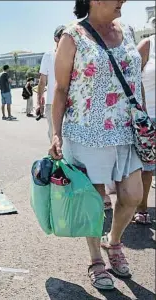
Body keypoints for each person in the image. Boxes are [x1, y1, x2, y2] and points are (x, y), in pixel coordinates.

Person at [49, 0, 144, 290]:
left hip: (126, 130)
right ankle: (96, 260)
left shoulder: (127, 30)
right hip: (86, 130)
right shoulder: (72, 36)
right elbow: (61, 88)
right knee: (93, 202)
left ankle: (113, 241)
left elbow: (135, 80)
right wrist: (56, 133)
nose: (123, 1)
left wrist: (144, 121)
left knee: (132, 196)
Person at [134, 33, 155, 224]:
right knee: (146, 168)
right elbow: (130, 77)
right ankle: (142, 208)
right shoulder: (148, 45)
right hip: (150, 116)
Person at [37, 25, 66, 138]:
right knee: (54, 135)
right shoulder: (48, 56)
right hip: (52, 102)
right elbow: (42, 82)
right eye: (62, 37)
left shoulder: (75, 54)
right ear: (56, 39)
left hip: (71, 102)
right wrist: (39, 103)